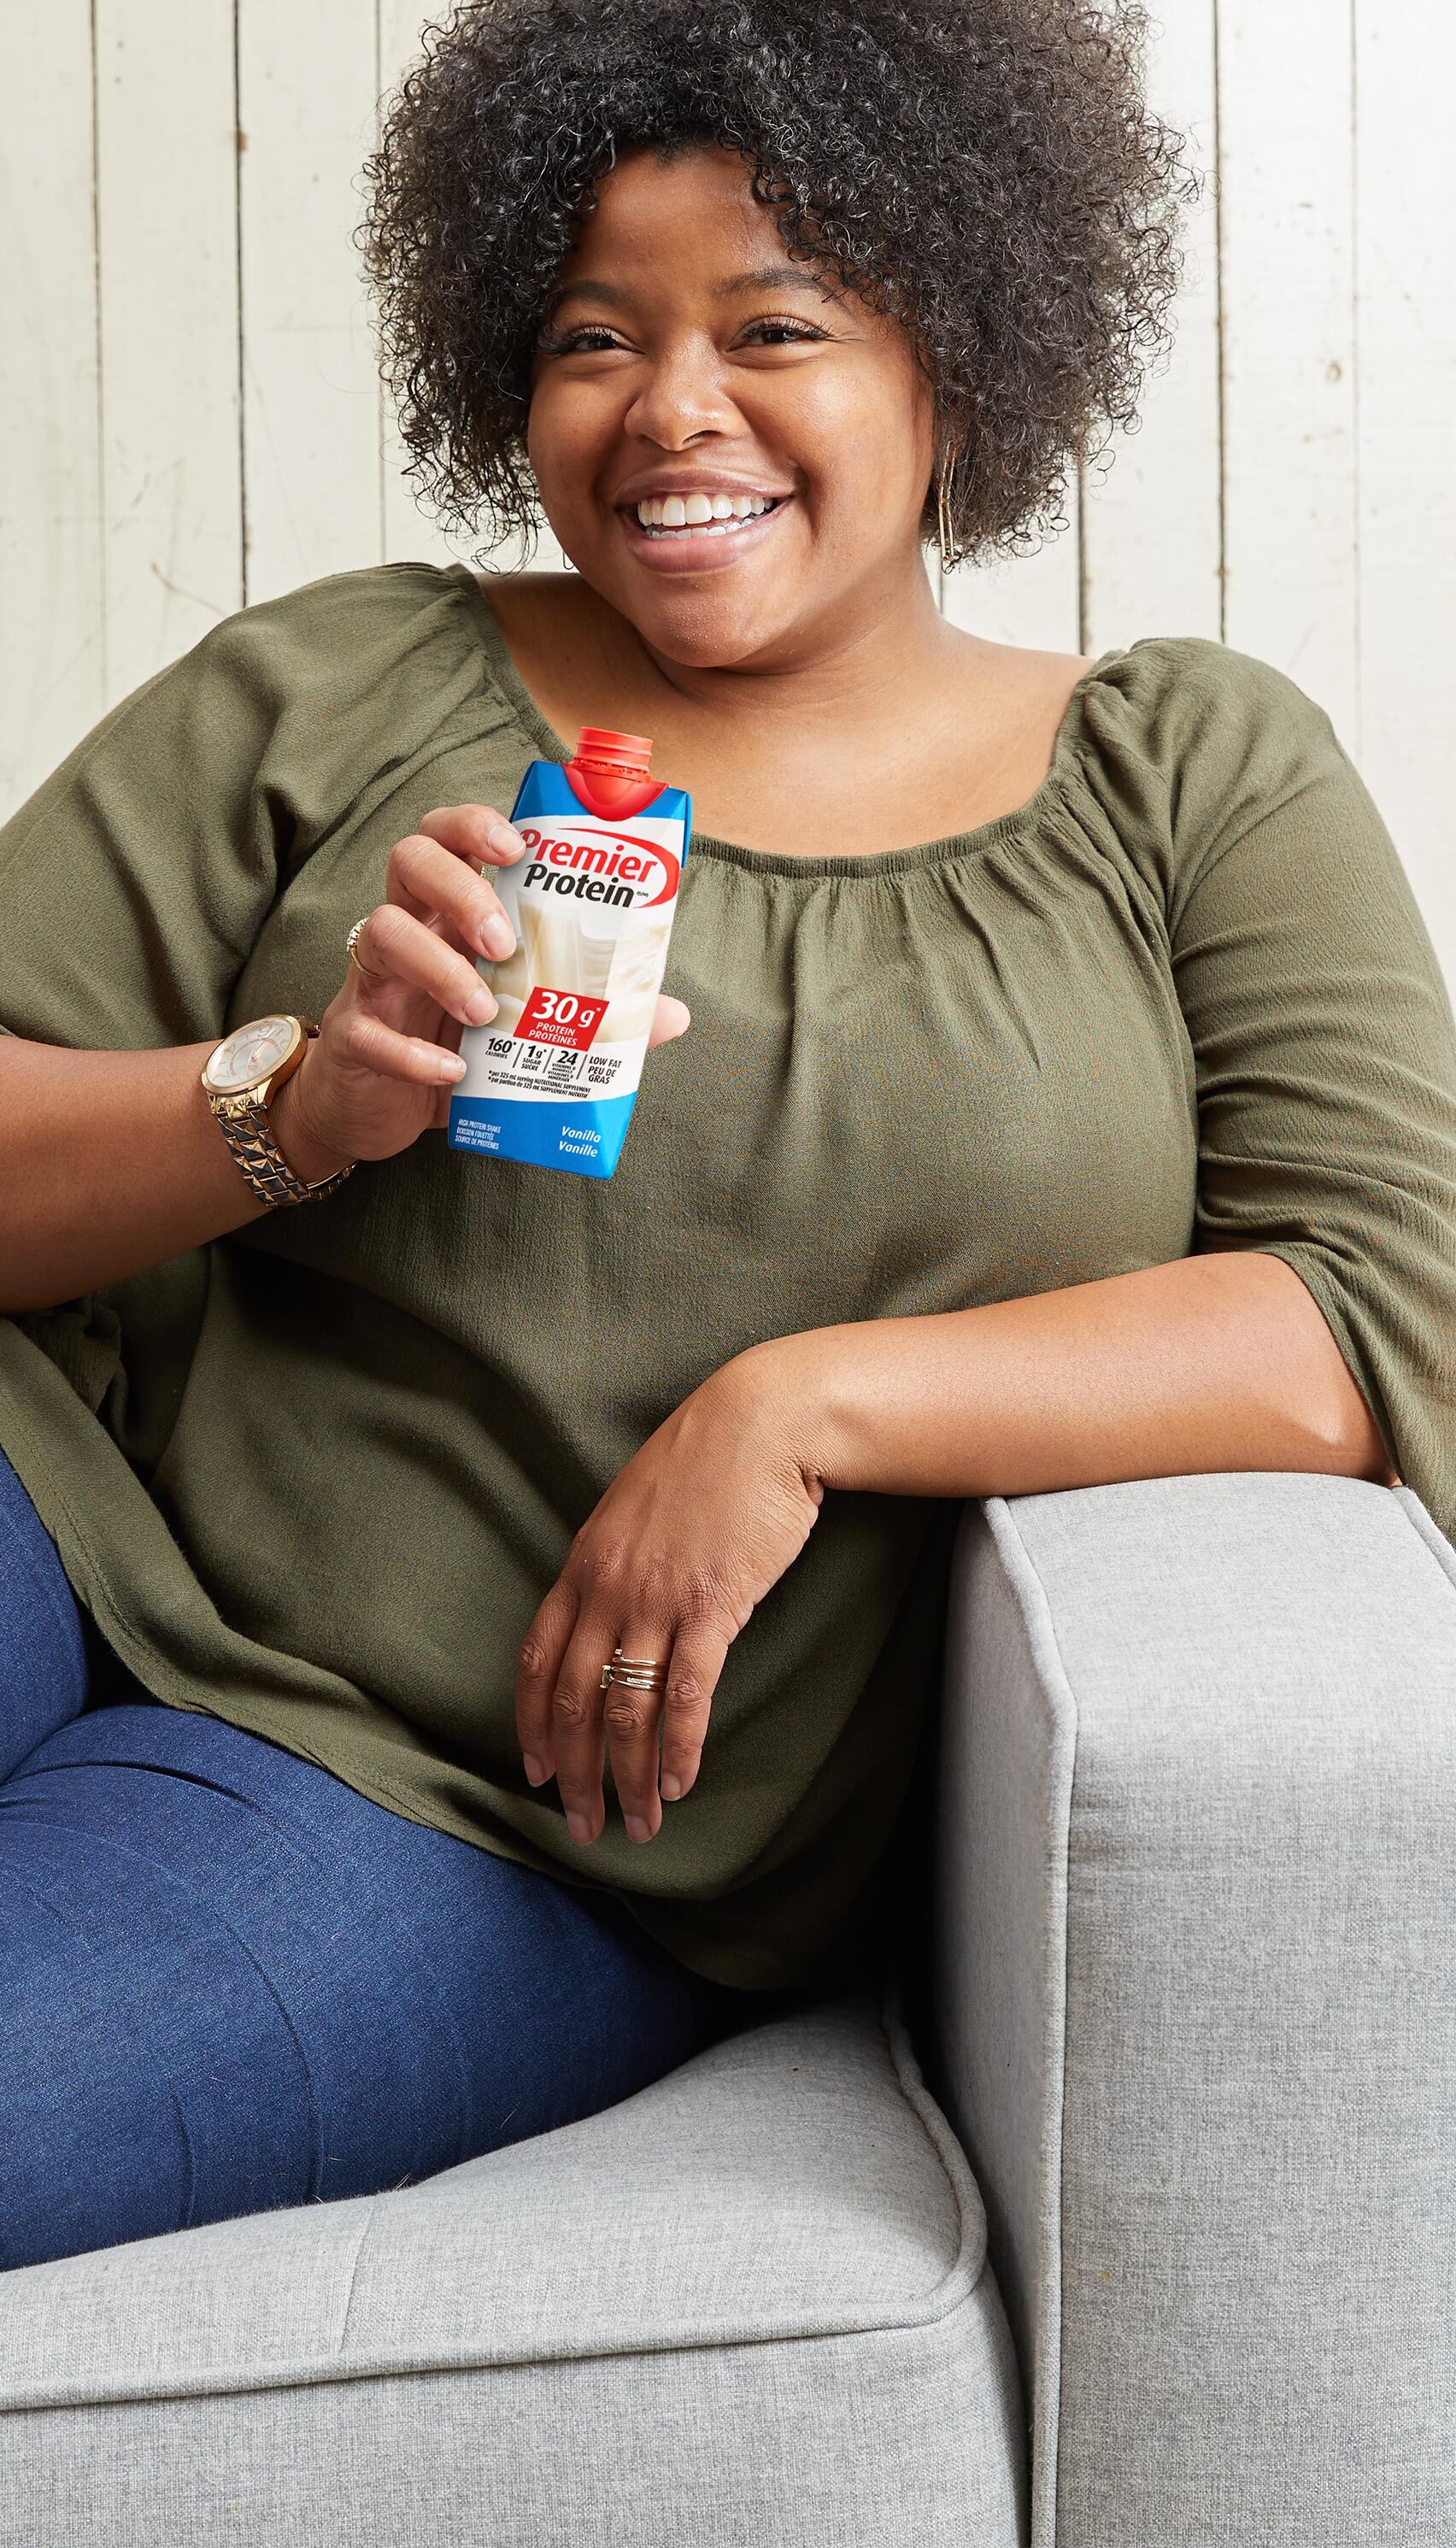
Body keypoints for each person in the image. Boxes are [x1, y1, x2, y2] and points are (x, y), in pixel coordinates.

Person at [3, 0, 1453, 2275]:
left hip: (443, 1814)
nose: (671, 407)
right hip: (52, 1511)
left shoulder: (1193, 776)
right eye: (596, 335)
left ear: (957, 348)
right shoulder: (347, 683)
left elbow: (1374, 1319)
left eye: (773, 325)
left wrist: (798, 1413)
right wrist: (296, 1099)